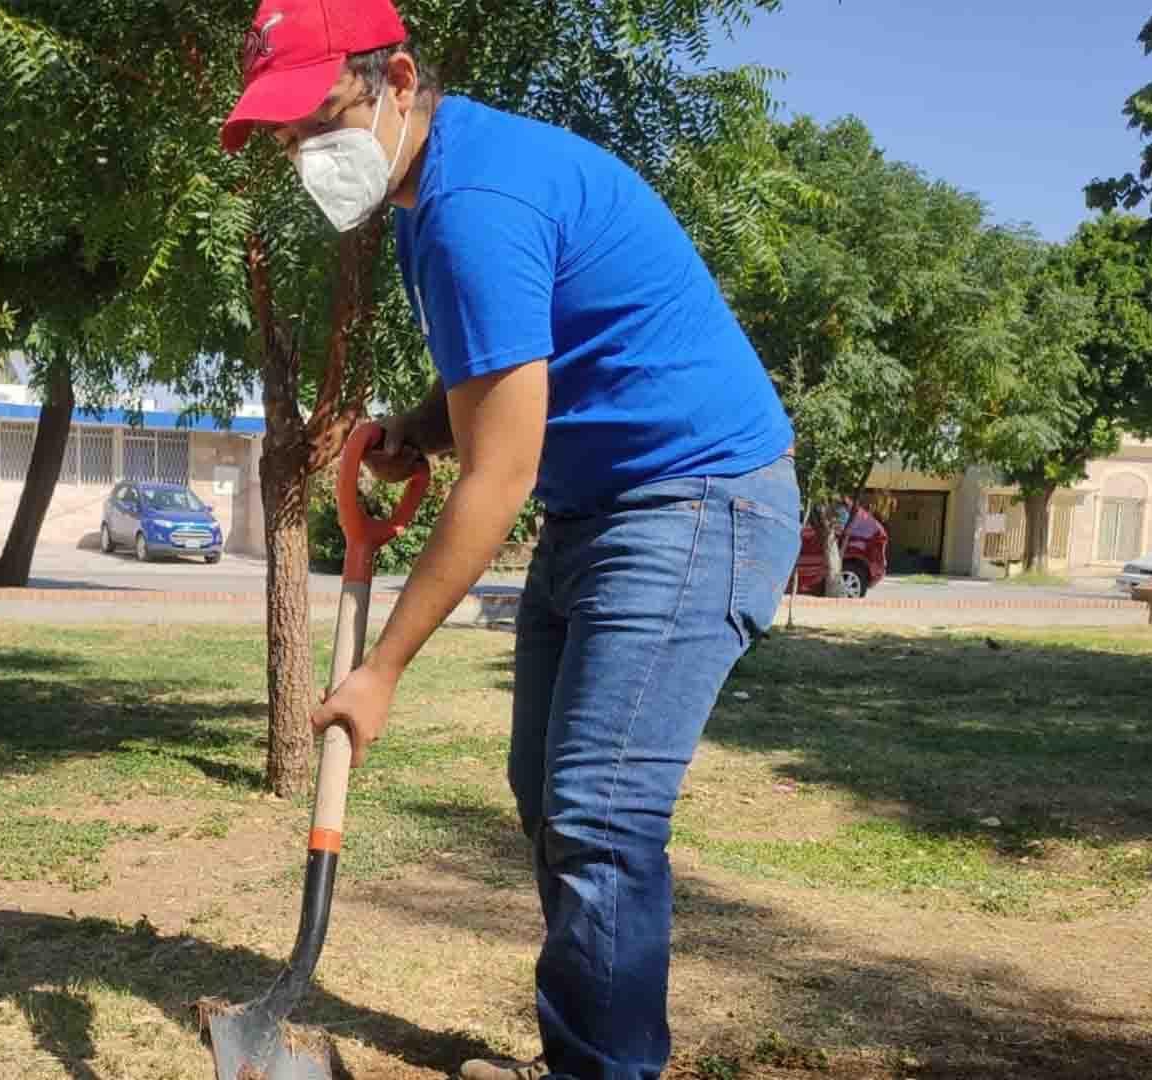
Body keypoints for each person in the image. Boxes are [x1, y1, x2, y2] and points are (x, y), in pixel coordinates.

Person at [220, 3, 802, 1078]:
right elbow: (515, 374)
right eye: (285, 136)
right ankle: (585, 1056)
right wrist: (420, 428)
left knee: (601, 813)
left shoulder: (472, 203)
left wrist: (382, 670)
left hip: (696, 502)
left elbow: (502, 476)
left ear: (397, 77)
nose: (306, 155)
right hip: (605, 508)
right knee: (550, 793)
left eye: (318, 117)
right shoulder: (434, 190)